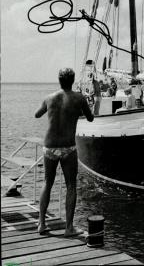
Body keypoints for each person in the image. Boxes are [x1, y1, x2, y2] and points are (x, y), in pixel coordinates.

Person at [35, 68, 94, 237]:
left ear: (59, 80)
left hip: (50, 146)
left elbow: (37, 114)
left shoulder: (49, 98)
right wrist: (78, 110)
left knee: (48, 182)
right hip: (68, 147)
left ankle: (41, 224)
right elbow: (90, 118)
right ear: (73, 80)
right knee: (71, 185)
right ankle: (69, 228)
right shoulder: (79, 98)